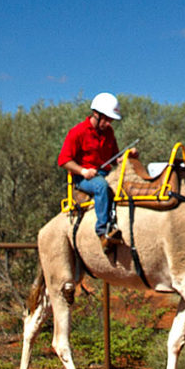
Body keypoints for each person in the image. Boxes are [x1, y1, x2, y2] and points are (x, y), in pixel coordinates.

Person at [58, 92, 138, 251]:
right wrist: (83, 171)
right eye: (107, 119)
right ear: (96, 114)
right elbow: (64, 160)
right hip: (84, 178)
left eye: (111, 120)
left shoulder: (109, 133)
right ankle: (103, 231)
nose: (109, 123)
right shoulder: (78, 132)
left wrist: (126, 157)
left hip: (104, 173)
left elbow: (114, 158)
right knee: (101, 186)